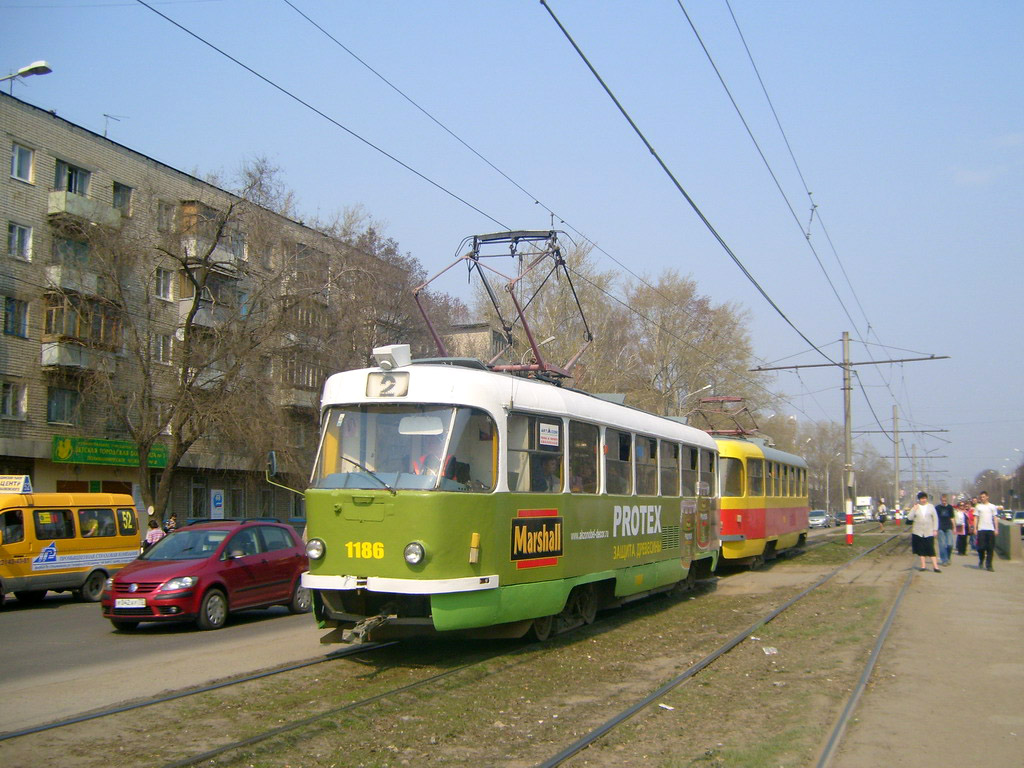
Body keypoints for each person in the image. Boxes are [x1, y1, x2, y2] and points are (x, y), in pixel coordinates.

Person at [907, 491, 940, 572]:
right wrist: (914, 510)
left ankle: (935, 567)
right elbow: (909, 518)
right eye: (922, 498)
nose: (923, 500)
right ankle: (923, 566)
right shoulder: (916, 507)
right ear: (919, 499)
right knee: (921, 549)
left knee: (931, 549)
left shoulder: (931, 507)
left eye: (925, 498)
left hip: (929, 531)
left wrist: (935, 529)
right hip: (918, 532)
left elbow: (935, 519)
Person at [973, 490, 999, 571]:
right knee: (981, 547)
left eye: (983, 497)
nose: (982, 498)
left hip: (990, 529)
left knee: (990, 548)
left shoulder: (992, 506)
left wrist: (996, 529)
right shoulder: (978, 507)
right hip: (981, 529)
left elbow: (995, 518)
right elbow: (976, 518)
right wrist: (975, 528)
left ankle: (989, 565)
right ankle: (981, 559)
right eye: (981, 497)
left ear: (987, 497)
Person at [934, 494, 955, 566]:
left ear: (947, 500)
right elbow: (935, 519)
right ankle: (944, 560)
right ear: (941, 500)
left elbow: (952, 518)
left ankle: (948, 557)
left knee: (950, 544)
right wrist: (935, 529)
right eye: (943, 501)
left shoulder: (950, 507)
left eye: (945, 501)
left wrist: (954, 527)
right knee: (942, 545)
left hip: (949, 527)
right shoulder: (937, 508)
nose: (944, 502)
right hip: (940, 528)